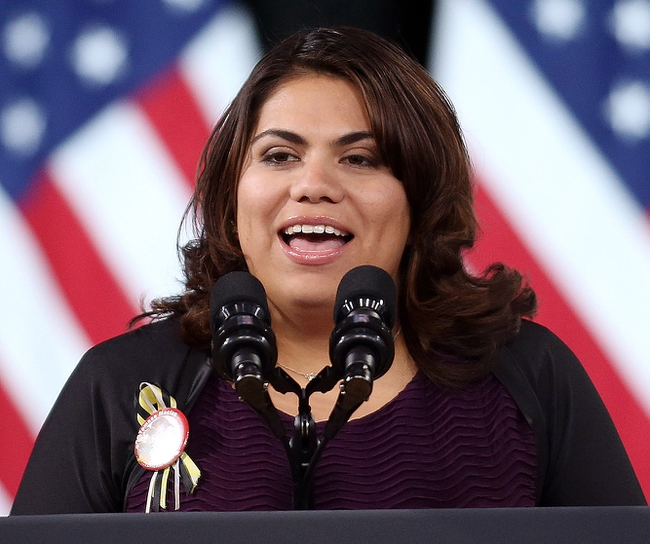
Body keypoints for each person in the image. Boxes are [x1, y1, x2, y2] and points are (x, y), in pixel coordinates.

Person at [11, 27, 646, 514]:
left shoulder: (531, 377)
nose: (313, 185)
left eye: (362, 159)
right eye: (280, 154)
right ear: (234, 196)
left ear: (419, 200)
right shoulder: (121, 384)